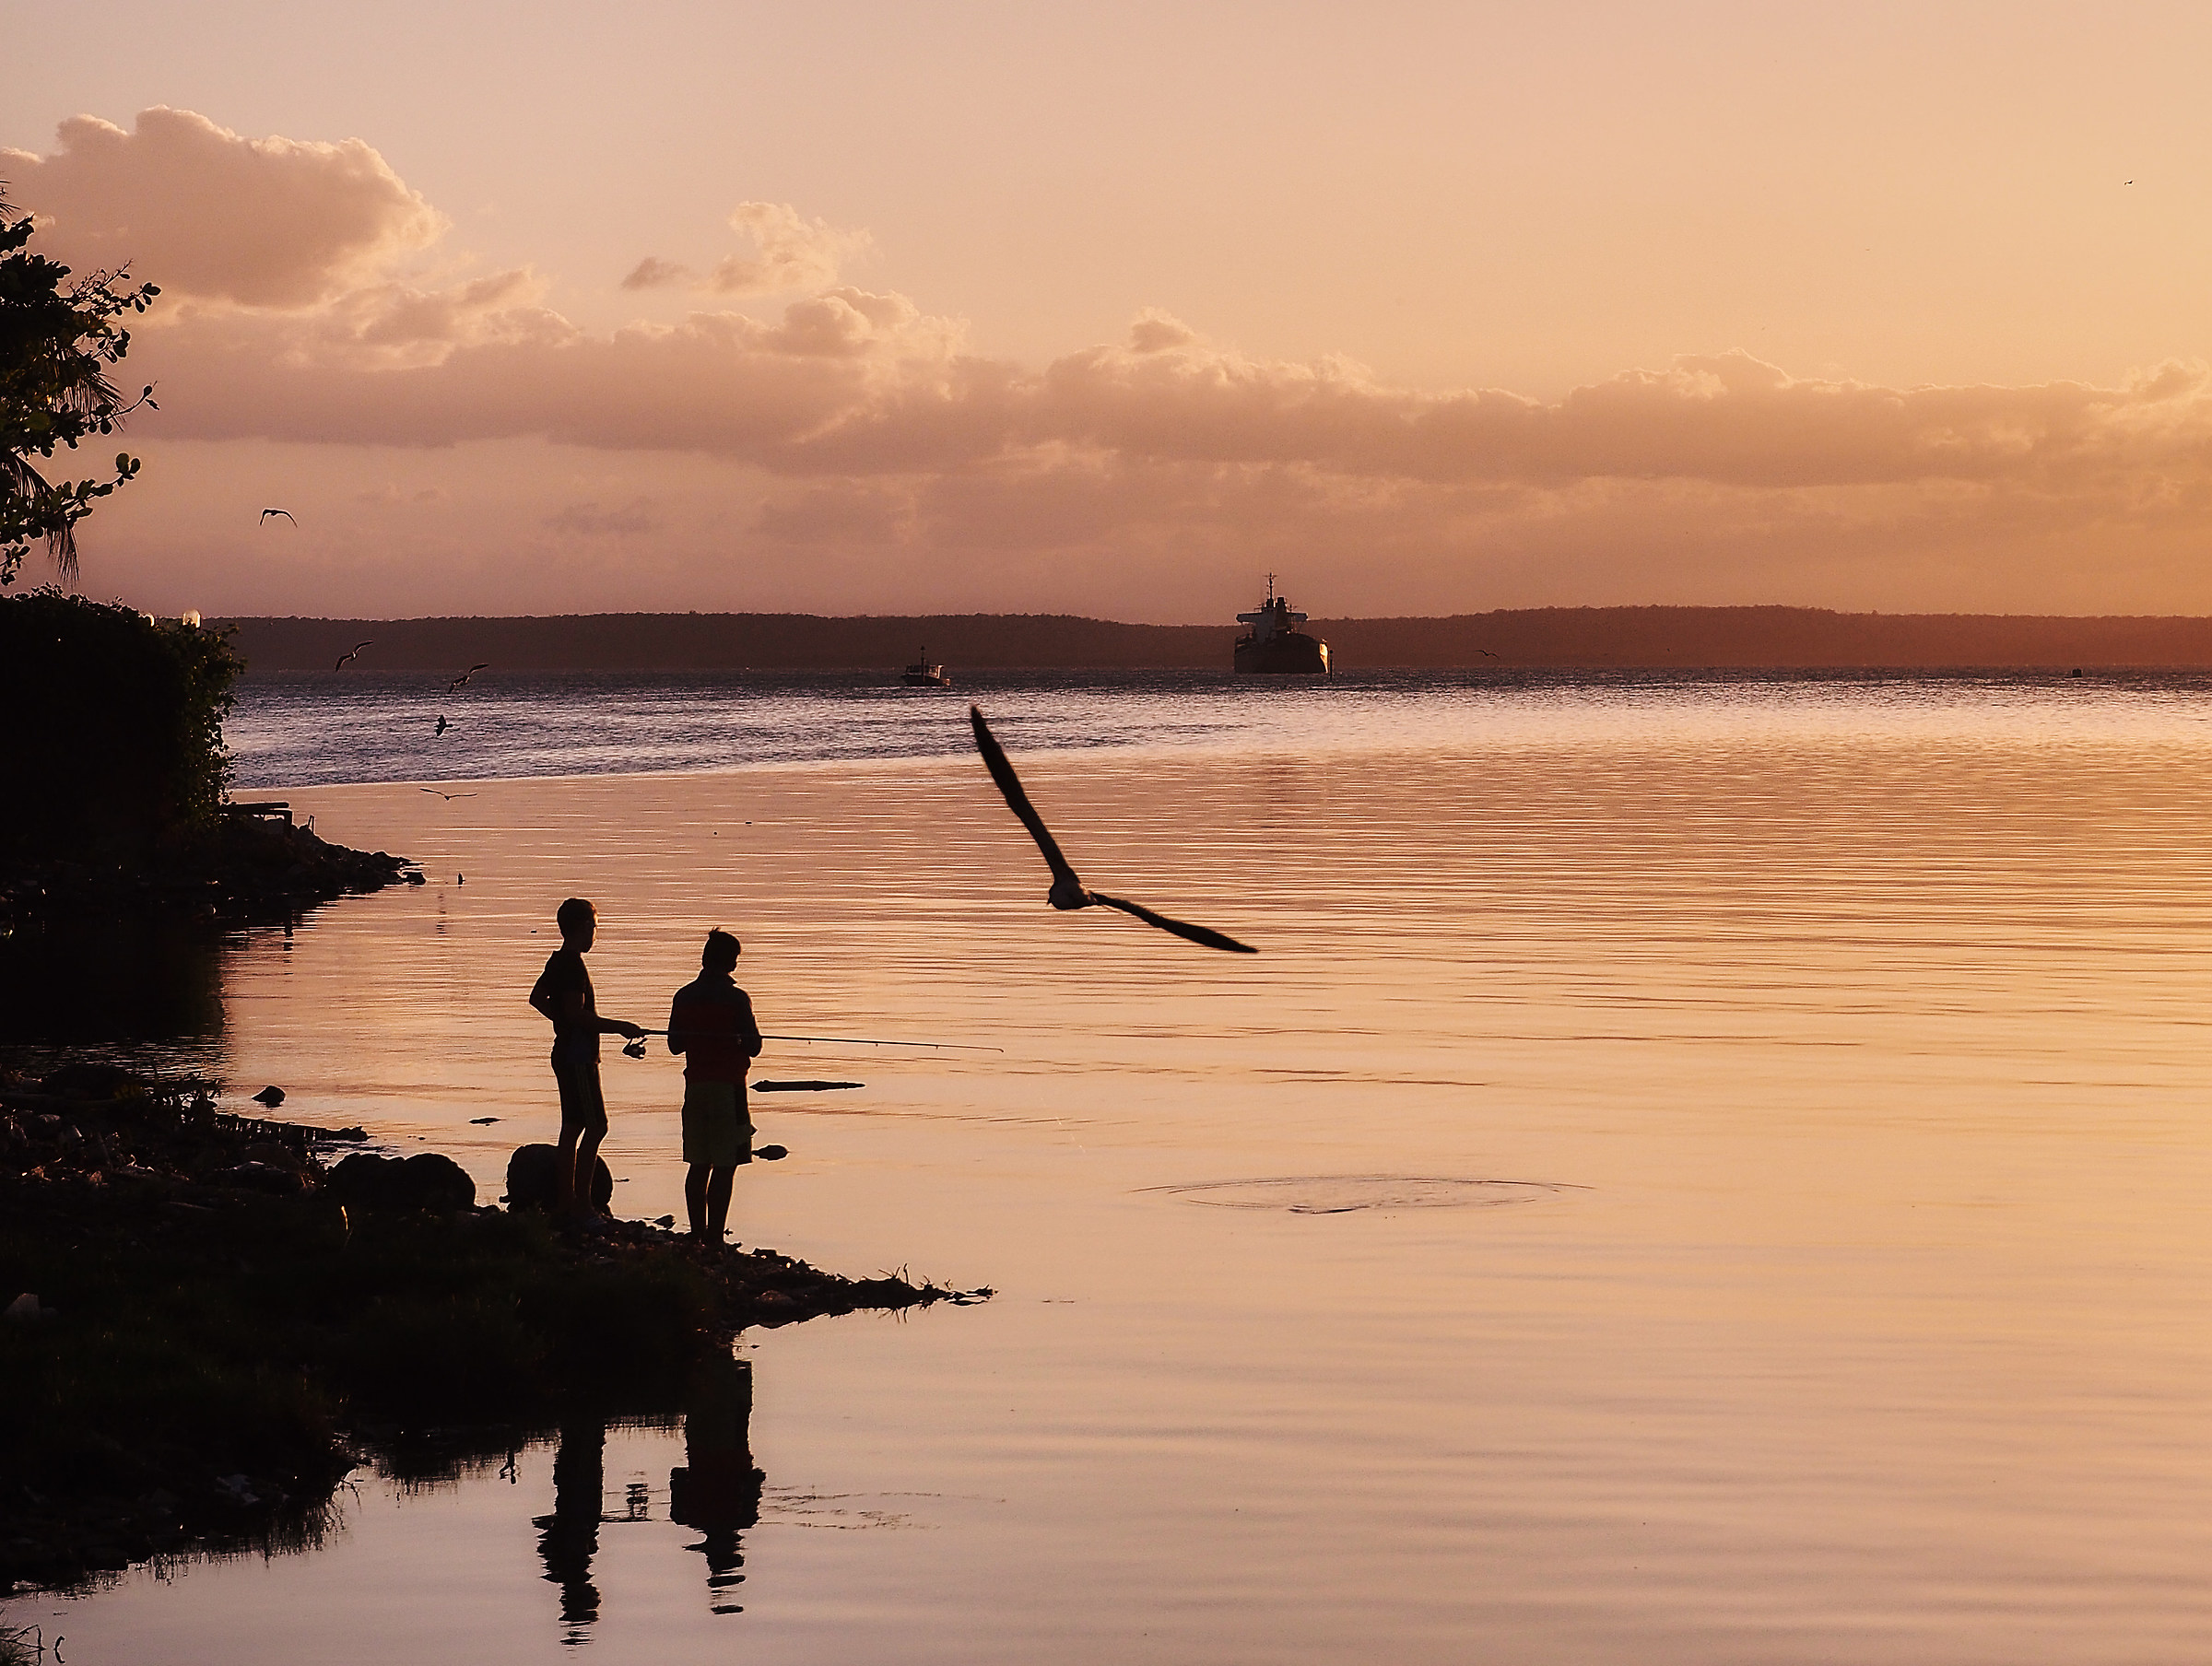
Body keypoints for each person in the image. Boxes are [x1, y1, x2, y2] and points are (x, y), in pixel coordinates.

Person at [528, 898, 645, 1216]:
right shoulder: (573, 966)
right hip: (578, 1057)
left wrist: (560, 1020)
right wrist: (619, 1027)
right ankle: (581, 1204)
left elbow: (537, 998)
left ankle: (570, 1202)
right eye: (594, 926)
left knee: (574, 1126)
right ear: (581, 928)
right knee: (596, 1126)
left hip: (567, 1053)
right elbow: (577, 1014)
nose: (596, 932)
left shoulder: (557, 961)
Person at [666, 929, 763, 1247]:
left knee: (698, 1163)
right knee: (725, 1166)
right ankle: (715, 1237)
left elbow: (674, 1045)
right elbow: (753, 1047)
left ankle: (696, 1234)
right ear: (731, 962)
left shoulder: (683, 996)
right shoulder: (737, 998)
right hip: (729, 1089)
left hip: (695, 1087)